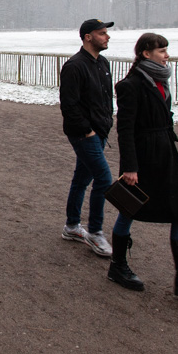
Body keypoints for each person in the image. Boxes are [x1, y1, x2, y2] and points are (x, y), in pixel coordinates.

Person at [108, 32, 178, 302]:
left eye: (166, 50)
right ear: (146, 53)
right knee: (130, 207)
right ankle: (117, 267)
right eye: (162, 51)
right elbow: (125, 129)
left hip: (166, 152)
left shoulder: (160, 79)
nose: (167, 55)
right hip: (144, 156)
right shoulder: (131, 85)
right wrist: (130, 167)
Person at [59, 19, 115, 257]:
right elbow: (69, 105)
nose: (107, 37)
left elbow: (104, 98)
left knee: (82, 179)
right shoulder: (74, 66)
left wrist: (106, 123)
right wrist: (87, 130)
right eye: (102, 33)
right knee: (104, 179)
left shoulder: (102, 62)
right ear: (87, 37)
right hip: (84, 134)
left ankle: (72, 226)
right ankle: (94, 231)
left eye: (106, 33)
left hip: (99, 131)